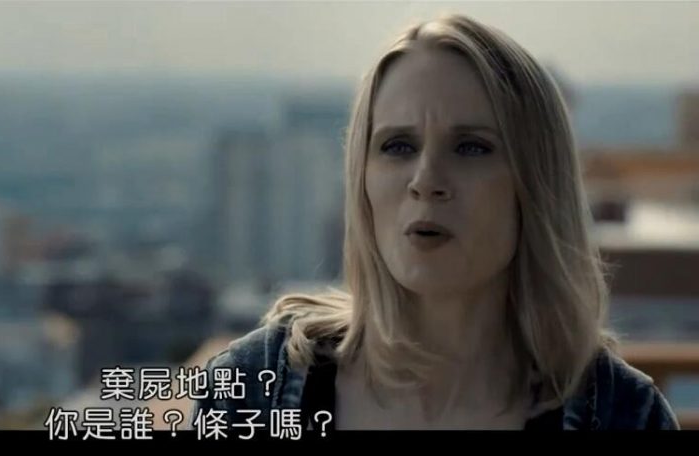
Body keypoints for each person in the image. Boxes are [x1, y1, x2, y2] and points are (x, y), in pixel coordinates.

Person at [191, 13, 679, 431]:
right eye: (397, 146)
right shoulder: (252, 391)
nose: (425, 181)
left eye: (471, 147)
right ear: (361, 178)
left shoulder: (622, 414)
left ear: (537, 183)